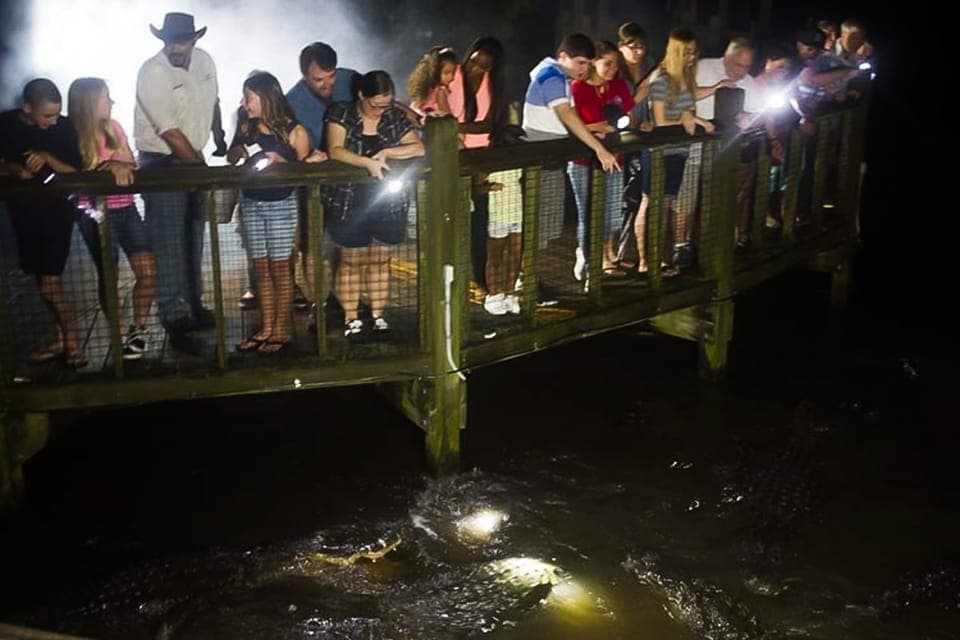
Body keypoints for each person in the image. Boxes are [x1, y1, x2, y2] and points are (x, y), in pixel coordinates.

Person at [134, 12, 226, 349]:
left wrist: (219, 134)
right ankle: (175, 317)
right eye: (170, 41)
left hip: (193, 158)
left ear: (194, 40)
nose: (175, 47)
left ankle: (193, 305)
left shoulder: (205, 61)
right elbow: (169, 132)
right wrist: (201, 170)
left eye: (181, 41)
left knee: (193, 237)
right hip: (162, 163)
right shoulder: (152, 72)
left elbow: (213, 101)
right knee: (169, 242)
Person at [324, 71, 425, 338]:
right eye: (375, 104)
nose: (381, 110)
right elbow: (335, 149)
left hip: (387, 200)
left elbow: (418, 147)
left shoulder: (394, 116)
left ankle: (379, 316)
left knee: (381, 259)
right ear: (361, 95)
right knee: (351, 260)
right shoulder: (341, 113)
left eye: (386, 104)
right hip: (349, 200)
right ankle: (351, 318)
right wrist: (366, 162)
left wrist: (388, 152)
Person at [68, 77, 157, 361]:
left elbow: (131, 163)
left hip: (126, 208)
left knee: (148, 271)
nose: (111, 101)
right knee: (109, 274)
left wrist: (116, 165)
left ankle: (139, 328)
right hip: (95, 213)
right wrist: (107, 167)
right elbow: (72, 175)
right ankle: (119, 334)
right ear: (89, 103)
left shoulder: (114, 127)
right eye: (106, 97)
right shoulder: (70, 136)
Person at [0, 78, 86, 366]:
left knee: (50, 282)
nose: (53, 121)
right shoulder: (6, 124)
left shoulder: (64, 127)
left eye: (56, 114)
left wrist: (47, 157)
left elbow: (76, 171)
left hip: (58, 213)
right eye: (47, 116)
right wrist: (11, 168)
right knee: (42, 282)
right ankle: (62, 340)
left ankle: (73, 345)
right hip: (24, 214)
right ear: (27, 108)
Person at [522, 33, 620, 287]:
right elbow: (566, 114)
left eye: (588, 63)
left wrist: (593, 130)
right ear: (563, 56)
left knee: (548, 223)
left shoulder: (559, 76)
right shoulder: (552, 77)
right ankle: (525, 279)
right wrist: (599, 148)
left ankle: (528, 277)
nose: (584, 69)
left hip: (551, 158)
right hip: (541, 159)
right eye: (580, 63)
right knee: (540, 223)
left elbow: (570, 116)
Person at [228, 72, 310, 354]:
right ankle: (266, 327)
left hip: (281, 205)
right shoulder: (246, 125)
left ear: (266, 98)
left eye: (248, 98)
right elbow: (232, 154)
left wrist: (282, 161)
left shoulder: (294, 131)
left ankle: (282, 329)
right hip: (251, 201)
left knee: (280, 267)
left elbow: (303, 172)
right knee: (261, 268)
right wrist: (238, 152)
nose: (244, 103)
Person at [634, 28, 718, 274]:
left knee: (664, 205)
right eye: (687, 52)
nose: (692, 57)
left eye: (694, 52)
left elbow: (689, 98)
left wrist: (717, 87)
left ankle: (657, 259)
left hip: (679, 151)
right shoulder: (662, 79)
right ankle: (646, 261)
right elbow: (661, 122)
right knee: (651, 203)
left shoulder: (684, 77)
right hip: (660, 151)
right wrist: (690, 119)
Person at [447, 36, 508, 296]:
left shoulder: (494, 86)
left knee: (478, 222)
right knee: (451, 219)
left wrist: (455, 128)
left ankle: (480, 277)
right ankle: (450, 276)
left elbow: (489, 124)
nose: (475, 69)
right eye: (473, 62)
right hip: (451, 157)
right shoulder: (453, 75)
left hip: (480, 159)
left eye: (483, 66)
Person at [570, 41, 634, 279]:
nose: (613, 69)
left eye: (616, 64)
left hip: (615, 158)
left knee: (612, 211)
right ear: (593, 62)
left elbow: (628, 116)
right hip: (583, 162)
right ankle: (589, 257)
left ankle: (607, 253)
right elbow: (572, 125)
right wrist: (600, 126)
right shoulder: (577, 88)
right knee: (588, 213)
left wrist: (636, 124)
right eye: (608, 63)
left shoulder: (618, 86)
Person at [407, 46, 458, 117]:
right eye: (446, 73)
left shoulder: (425, 89)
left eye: (453, 73)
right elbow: (448, 118)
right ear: (435, 71)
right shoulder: (440, 92)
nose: (451, 77)